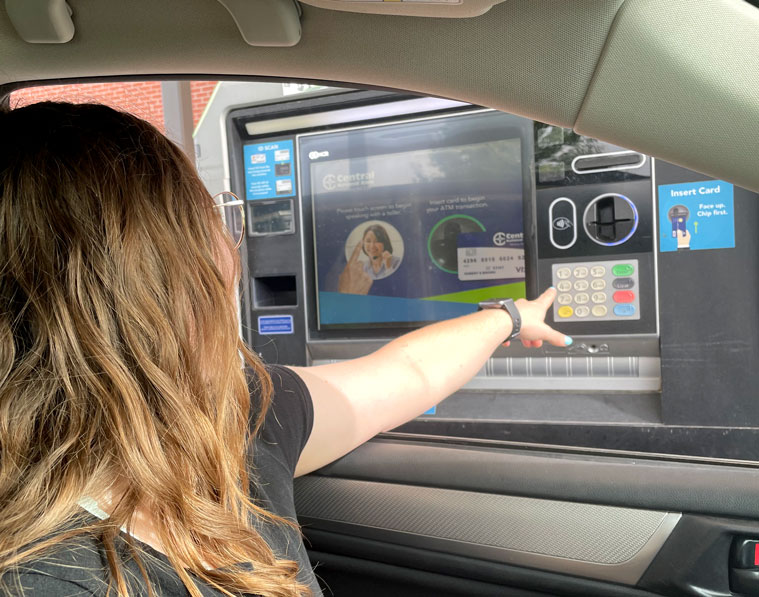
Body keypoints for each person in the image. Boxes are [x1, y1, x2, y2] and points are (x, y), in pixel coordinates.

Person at [0, 102, 571, 597]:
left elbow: (408, 371)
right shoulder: (42, 578)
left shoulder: (229, 414)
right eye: (212, 227)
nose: (232, 256)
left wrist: (510, 316)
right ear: (157, 281)